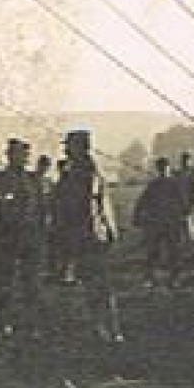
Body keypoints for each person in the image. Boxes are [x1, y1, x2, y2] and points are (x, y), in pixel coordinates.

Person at [54, 130, 121, 341]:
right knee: (96, 284)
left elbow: (82, 206)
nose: (65, 150)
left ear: (78, 148)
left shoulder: (83, 175)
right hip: (93, 235)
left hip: (87, 236)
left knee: (97, 284)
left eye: (69, 146)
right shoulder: (87, 172)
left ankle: (105, 328)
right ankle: (106, 328)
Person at [0, 139, 43, 337]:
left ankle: (31, 323)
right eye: (17, 154)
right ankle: (4, 322)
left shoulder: (34, 180)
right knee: (5, 281)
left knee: (31, 283)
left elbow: (42, 208)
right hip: (6, 237)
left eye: (24, 155)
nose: (22, 158)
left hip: (31, 237)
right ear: (9, 155)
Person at [134, 157, 188, 288]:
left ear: (169, 169)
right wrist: (136, 217)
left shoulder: (176, 185)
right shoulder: (153, 185)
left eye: (165, 168)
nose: (163, 171)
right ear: (158, 170)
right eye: (161, 169)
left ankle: (175, 278)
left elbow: (184, 203)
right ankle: (150, 278)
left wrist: (184, 216)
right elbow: (142, 201)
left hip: (172, 223)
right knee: (153, 251)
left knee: (174, 251)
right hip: (156, 223)